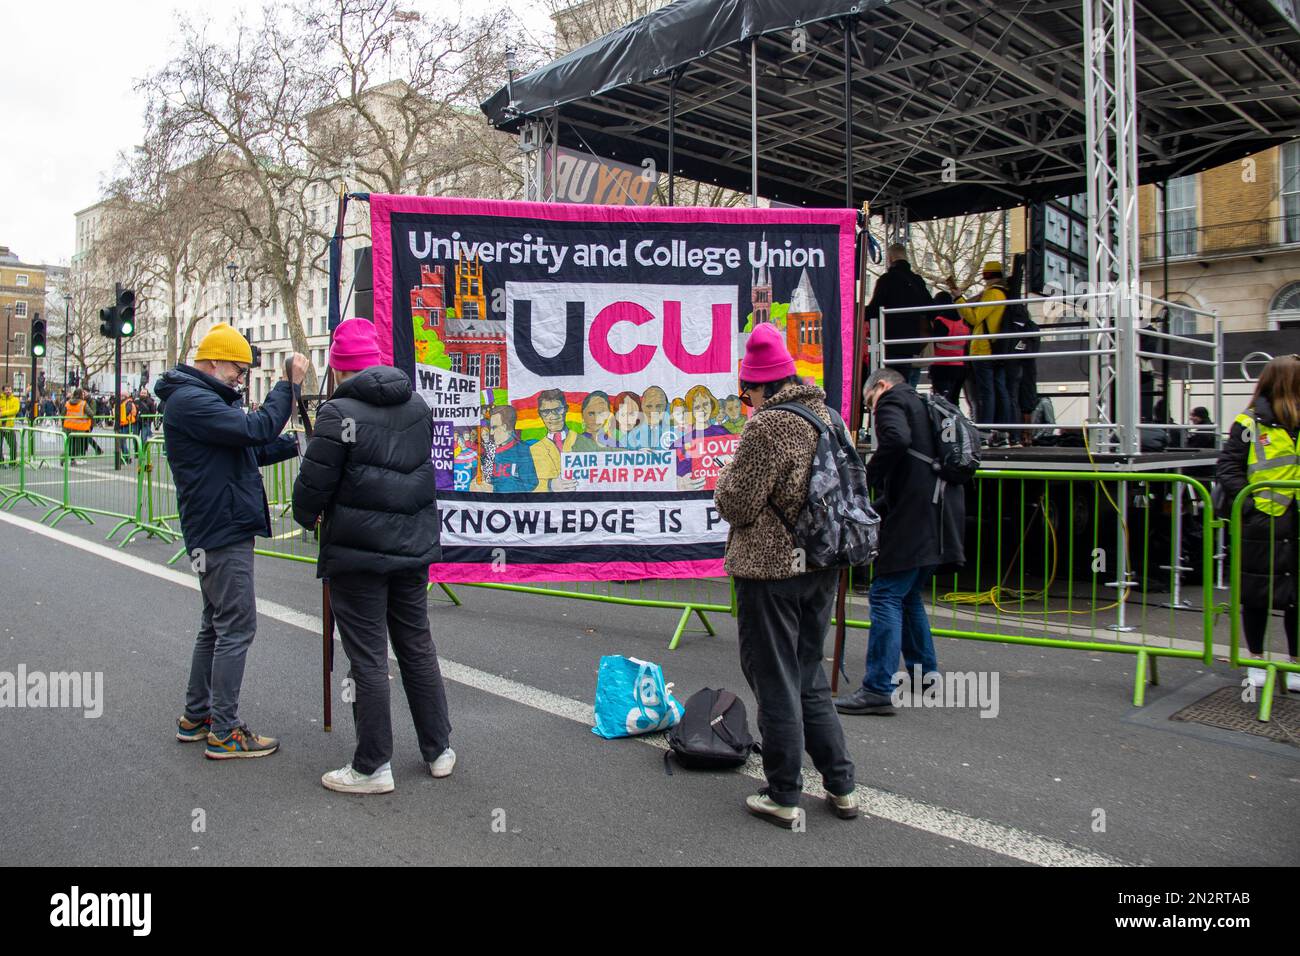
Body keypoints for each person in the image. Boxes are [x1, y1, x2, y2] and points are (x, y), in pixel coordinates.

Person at [292, 318, 452, 794]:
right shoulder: (417, 406)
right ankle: (439, 748)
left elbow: (311, 492)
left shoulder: (338, 413)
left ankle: (372, 765)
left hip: (358, 554)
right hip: (411, 547)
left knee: (367, 656)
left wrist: (309, 514)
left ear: (339, 367)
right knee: (416, 646)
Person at [714, 322, 858, 828]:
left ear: (761, 383)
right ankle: (841, 786)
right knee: (809, 676)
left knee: (775, 680)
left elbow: (739, 501)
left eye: (747, 390)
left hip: (771, 569)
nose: (747, 400)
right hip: (821, 565)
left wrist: (720, 484)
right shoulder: (828, 417)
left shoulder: (770, 425)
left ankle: (783, 792)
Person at [155, 323, 307, 758]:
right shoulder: (192, 401)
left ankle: (197, 715)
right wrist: (287, 385)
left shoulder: (197, 400)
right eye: (238, 371)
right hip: (220, 530)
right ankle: (224, 730)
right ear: (214, 362)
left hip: (211, 527)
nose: (241, 379)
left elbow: (250, 447)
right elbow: (255, 430)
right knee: (237, 626)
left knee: (215, 625)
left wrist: (295, 446)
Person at [836, 367, 966, 716]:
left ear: (880, 386)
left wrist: (868, 478)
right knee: (908, 597)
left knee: (885, 594)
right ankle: (925, 676)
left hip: (914, 517)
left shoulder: (892, 399)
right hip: (939, 512)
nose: (870, 408)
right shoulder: (924, 404)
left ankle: (878, 686)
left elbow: (895, 441)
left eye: (868, 402)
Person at [1215, 355, 1300, 691]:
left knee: (1297, 596)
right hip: (1264, 522)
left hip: (1294, 521)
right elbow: (1229, 468)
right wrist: (1251, 508)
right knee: (1257, 593)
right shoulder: (1250, 422)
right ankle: (1255, 660)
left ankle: (1295, 665)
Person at [865, 244, 933, 388]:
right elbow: (930, 307)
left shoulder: (886, 279)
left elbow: (873, 309)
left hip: (889, 340)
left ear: (890, 258)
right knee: (904, 379)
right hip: (911, 341)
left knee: (888, 380)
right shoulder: (917, 280)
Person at [960, 261, 1010, 445]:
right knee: (1000, 390)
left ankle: (984, 432)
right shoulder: (1005, 294)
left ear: (987, 276)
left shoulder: (992, 294)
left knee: (985, 393)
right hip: (999, 349)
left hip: (983, 350)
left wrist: (959, 299)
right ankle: (1003, 432)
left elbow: (974, 317)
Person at [471, 405, 538, 493]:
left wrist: (494, 489)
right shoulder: (490, 450)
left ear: (505, 427)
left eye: (494, 427)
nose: (491, 432)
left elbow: (530, 484)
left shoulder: (522, 450)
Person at [529, 388, 578, 491]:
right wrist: (549, 485)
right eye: (546, 412)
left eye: (557, 410)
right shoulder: (533, 450)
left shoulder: (581, 440)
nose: (552, 416)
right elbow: (526, 485)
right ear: (540, 414)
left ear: (566, 409)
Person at [928, 291, 969, 405]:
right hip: (960, 367)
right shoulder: (961, 321)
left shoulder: (941, 321)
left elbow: (934, 342)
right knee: (954, 401)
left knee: (942, 402)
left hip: (942, 367)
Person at [61, 388, 94, 465]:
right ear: (80, 395)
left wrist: (63, 423)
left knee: (69, 444)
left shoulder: (68, 403)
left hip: (67, 427)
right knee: (76, 446)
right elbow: (91, 414)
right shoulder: (83, 403)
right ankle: (72, 459)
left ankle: (63, 457)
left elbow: (63, 414)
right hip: (78, 428)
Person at [0, 385, 18, 465]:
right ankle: (1, 462)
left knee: (13, 445)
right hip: (0, 426)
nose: (8, 391)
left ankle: (12, 462)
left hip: (9, 426)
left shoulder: (15, 400)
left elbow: (15, 410)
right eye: (6, 390)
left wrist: (3, 413)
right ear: (3, 391)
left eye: (10, 389)